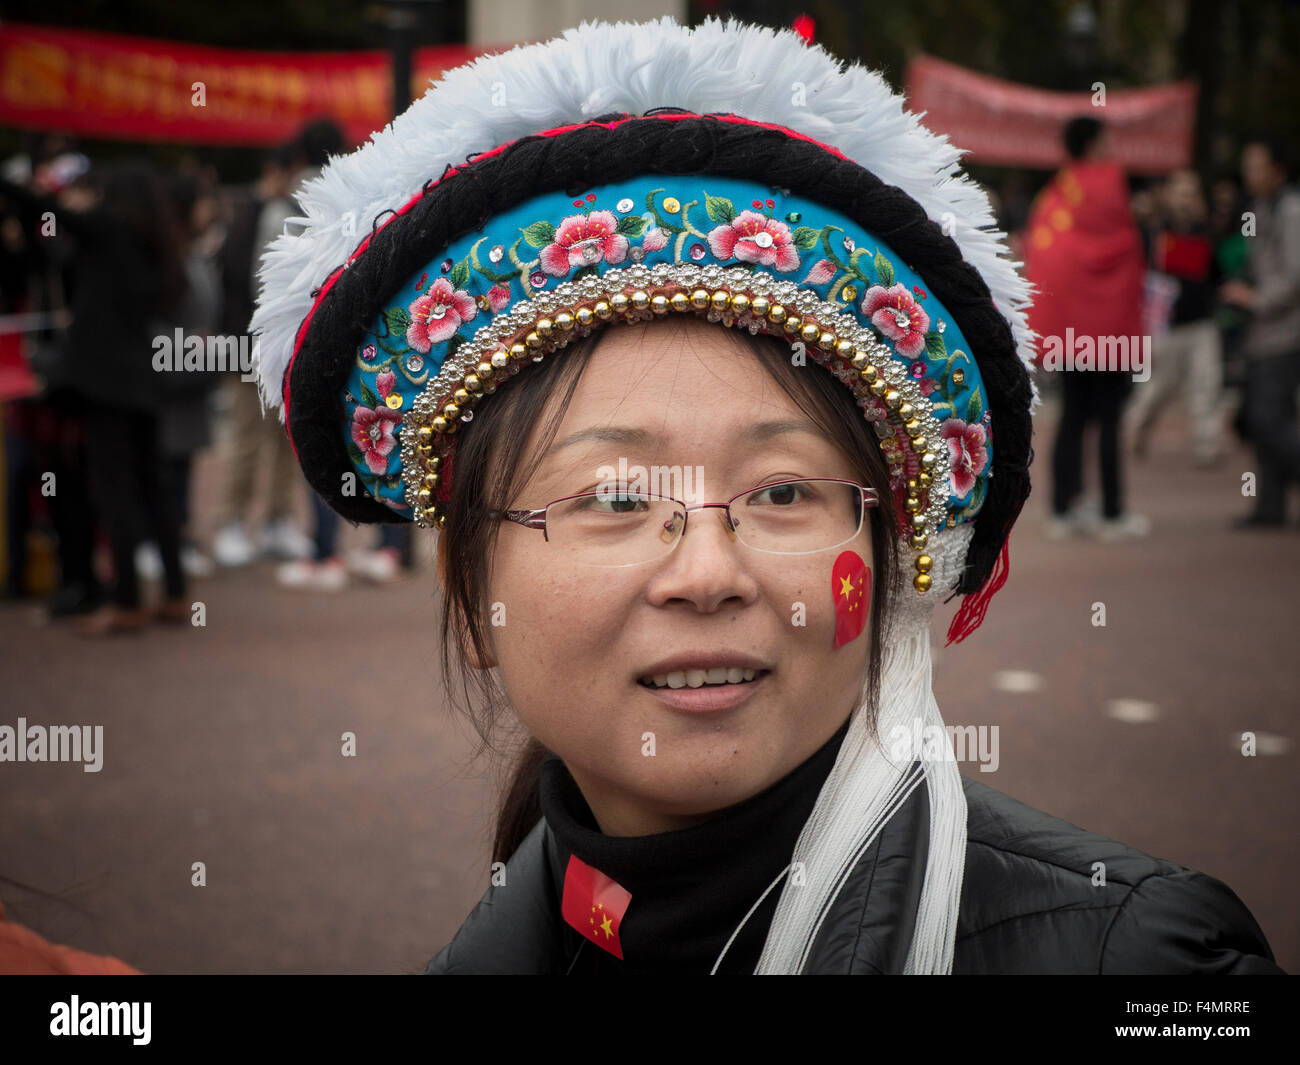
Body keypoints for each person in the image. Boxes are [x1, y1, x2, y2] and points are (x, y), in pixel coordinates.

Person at [249, 17, 1282, 974]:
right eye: (614, 499)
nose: (708, 573)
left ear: (889, 560)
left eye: (784, 490)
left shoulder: (1143, 959)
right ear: (472, 592)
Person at [0, 160, 191, 635]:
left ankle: (126, 600)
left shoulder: (109, 229)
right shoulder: (157, 246)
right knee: (154, 488)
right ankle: (174, 593)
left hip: (105, 384)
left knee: (114, 491)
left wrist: (18, 189)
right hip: (143, 381)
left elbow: (47, 212)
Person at [1026, 116, 1151, 540]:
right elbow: (1123, 244)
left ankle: (1064, 508)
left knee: (1073, 416)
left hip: (1072, 330)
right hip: (1111, 326)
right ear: (1096, 142)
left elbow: (1049, 257)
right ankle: (1113, 513)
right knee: (1111, 419)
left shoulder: (1058, 191)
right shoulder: (1110, 182)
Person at [1222, 137, 1300, 528]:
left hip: (1283, 332)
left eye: (1257, 165)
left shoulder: (1291, 210)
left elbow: (1294, 275)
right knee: (1264, 418)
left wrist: (1254, 299)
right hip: (1263, 333)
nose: (1249, 174)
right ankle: (1270, 506)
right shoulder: (1261, 208)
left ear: (1277, 170)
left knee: (1268, 419)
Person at [1124, 169, 1227, 465]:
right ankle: (1135, 433)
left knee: (1207, 385)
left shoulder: (1206, 233)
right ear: (1168, 195)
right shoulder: (1153, 232)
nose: (1186, 199)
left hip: (1202, 324)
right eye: (1181, 192)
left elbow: (1216, 274)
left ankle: (1207, 447)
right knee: (1157, 389)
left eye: (1191, 193)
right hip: (1165, 327)